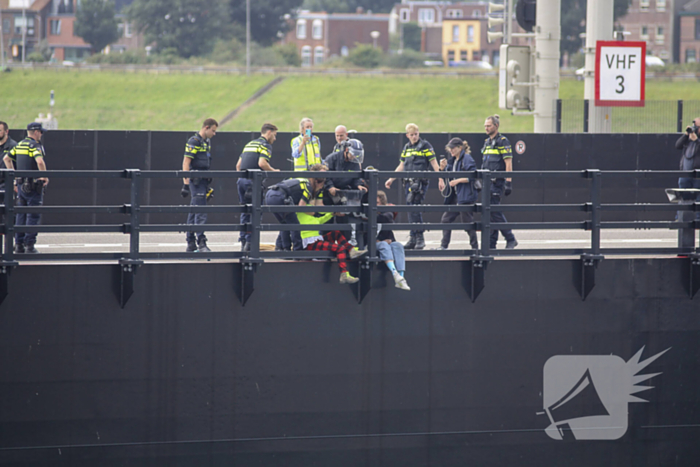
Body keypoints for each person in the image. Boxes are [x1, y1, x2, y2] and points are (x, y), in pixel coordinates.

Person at [295, 169, 368, 284]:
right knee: (339, 248)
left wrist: (333, 213)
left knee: (336, 233)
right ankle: (344, 274)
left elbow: (319, 221)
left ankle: (352, 250)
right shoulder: (303, 209)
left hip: (315, 239)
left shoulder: (309, 209)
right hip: (309, 242)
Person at [384, 123, 440, 250]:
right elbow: (401, 165)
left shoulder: (426, 146)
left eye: (416, 134)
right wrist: (391, 179)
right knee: (410, 209)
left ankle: (419, 237)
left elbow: (434, 163)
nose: (414, 137)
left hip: (420, 182)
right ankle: (413, 238)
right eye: (412, 135)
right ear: (407, 135)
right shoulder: (406, 147)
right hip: (408, 183)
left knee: (415, 208)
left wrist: (441, 178)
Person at [236, 123, 280, 252]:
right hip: (252, 183)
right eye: (275, 135)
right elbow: (262, 163)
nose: (275, 139)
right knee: (255, 213)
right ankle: (250, 243)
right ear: (269, 132)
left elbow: (238, 166)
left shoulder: (249, 144)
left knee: (245, 211)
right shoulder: (265, 145)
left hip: (241, 181)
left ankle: (243, 241)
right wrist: (274, 171)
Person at [6, 123, 49, 254]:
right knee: (33, 215)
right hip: (33, 186)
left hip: (20, 185)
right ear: (36, 132)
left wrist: (14, 176)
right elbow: (40, 161)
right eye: (41, 132)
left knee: (20, 215)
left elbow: (7, 159)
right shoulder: (35, 146)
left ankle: (18, 244)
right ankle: (29, 245)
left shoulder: (19, 145)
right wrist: (44, 177)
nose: (41, 135)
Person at [264, 164, 325, 252]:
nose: (321, 185)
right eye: (320, 182)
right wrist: (316, 213)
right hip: (280, 196)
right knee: (295, 225)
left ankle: (282, 248)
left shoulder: (301, 179)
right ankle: (297, 251)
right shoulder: (308, 186)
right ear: (315, 180)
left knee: (285, 223)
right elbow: (302, 206)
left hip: (270, 194)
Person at [481, 115, 517, 249]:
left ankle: (510, 238)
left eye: (488, 126)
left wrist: (508, 182)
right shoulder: (487, 142)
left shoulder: (503, 141)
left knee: (494, 211)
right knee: (489, 214)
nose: (486, 128)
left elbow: (508, 162)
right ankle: (491, 244)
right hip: (487, 183)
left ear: (496, 126)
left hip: (497, 183)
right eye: (485, 125)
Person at [181, 118, 218, 253]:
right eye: (213, 131)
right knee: (200, 212)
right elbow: (186, 163)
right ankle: (201, 242)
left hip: (203, 181)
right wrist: (185, 184)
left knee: (193, 211)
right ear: (206, 128)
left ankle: (190, 242)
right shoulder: (194, 141)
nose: (214, 133)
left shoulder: (206, 142)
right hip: (195, 180)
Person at [437, 138, 479, 250]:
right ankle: (443, 246)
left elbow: (472, 176)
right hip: (457, 197)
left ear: (460, 148)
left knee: (467, 224)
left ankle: (475, 248)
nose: (451, 150)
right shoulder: (453, 160)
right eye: (450, 148)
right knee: (446, 219)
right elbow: (448, 175)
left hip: (465, 197)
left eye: (453, 148)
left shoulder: (467, 158)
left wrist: (457, 180)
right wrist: (441, 168)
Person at [324, 138, 367, 246]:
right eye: (353, 154)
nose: (355, 157)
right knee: (326, 219)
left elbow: (356, 177)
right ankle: (326, 246)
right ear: (346, 150)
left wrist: (358, 185)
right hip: (329, 193)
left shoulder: (355, 162)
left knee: (344, 219)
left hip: (343, 194)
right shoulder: (332, 158)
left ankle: (344, 246)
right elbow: (325, 175)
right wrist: (330, 187)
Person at [376, 190, 410, 291]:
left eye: (377, 203)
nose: (375, 205)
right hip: (375, 242)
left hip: (387, 241)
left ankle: (401, 277)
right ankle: (394, 273)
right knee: (384, 245)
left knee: (398, 245)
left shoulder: (386, 214)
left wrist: (390, 240)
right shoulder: (368, 214)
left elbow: (387, 217)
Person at [675, 117, 700, 218]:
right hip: (685, 174)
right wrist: (686, 135)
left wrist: (697, 141)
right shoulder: (688, 140)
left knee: (698, 199)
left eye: (697, 127)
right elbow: (677, 145)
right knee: (683, 197)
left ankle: (698, 220)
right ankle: (681, 218)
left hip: (698, 175)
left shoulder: (696, 141)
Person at [0, 121, 17, 243]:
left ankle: (11, 243)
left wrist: (15, 182)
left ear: (6, 131)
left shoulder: (13, 146)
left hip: (7, 184)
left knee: (9, 214)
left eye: (0, 130)